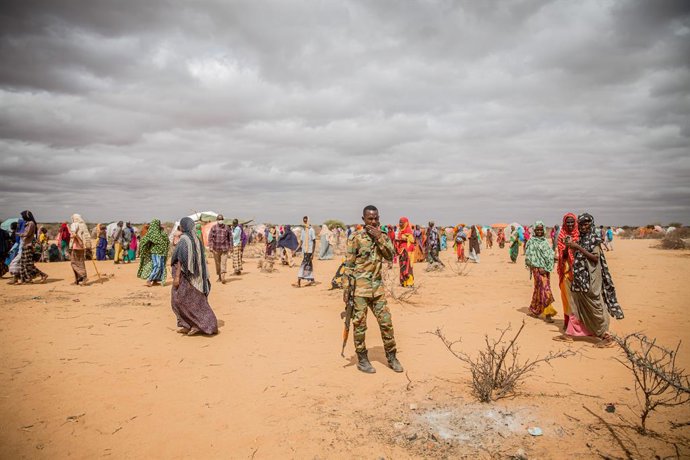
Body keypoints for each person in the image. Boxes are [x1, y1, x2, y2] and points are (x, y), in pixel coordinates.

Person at [343, 205, 403, 374]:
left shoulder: (382, 236)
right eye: (370, 219)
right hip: (359, 291)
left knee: (386, 323)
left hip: (377, 290)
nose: (373, 221)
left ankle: (392, 357)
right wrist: (346, 289)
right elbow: (349, 264)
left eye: (376, 218)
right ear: (363, 220)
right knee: (360, 325)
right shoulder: (355, 238)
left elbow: (391, 256)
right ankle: (362, 359)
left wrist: (380, 239)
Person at [554, 213, 624, 347]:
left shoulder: (593, 239)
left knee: (594, 307)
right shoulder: (581, 238)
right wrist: (569, 246)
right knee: (577, 305)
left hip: (591, 279)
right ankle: (570, 333)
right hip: (581, 278)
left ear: (591, 224)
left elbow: (595, 258)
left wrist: (577, 247)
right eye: (581, 224)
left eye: (586, 224)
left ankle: (607, 336)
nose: (583, 227)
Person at [170, 217, 218, 336]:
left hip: (185, 277)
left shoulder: (184, 240)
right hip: (197, 278)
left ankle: (199, 324)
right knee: (195, 301)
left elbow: (181, 260)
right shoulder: (196, 240)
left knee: (178, 300)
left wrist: (177, 277)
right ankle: (189, 324)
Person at [524, 221, 557, 322]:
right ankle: (548, 313)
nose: (539, 231)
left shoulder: (544, 241)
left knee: (539, 289)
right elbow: (530, 256)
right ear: (534, 230)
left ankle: (535, 309)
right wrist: (539, 266)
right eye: (537, 229)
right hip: (537, 269)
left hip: (546, 269)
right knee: (545, 289)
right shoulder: (531, 241)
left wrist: (554, 258)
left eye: (540, 229)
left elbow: (549, 254)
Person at [14, 210, 48, 285]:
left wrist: (18, 233)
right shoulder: (28, 223)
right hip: (25, 245)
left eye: (23, 216)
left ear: (26, 216)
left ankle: (38, 276)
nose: (22, 217)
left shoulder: (31, 224)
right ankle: (26, 279)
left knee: (27, 264)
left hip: (28, 246)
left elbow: (27, 233)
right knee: (23, 264)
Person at [137, 219, 170, 287]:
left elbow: (167, 241)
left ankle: (155, 280)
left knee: (161, 267)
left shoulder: (161, 233)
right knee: (157, 265)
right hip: (155, 253)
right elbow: (143, 242)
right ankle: (149, 279)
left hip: (162, 253)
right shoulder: (151, 234)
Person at [207, 215, 232, 283]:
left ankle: (223, 276)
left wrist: (231, 247)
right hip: (216, 249)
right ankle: (219, 277)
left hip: (225, 249)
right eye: (219, 219)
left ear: (223, 220)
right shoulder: (214, 228)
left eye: (221, 219)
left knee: (223, 263)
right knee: (218, 264)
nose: (220, 220)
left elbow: (230, 238)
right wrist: (211, 247)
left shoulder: (227, 228)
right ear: (217, 220)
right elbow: (210, 238)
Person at [69, 214, 92, 285]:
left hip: (77, 246)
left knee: (74, 263)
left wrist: (77, 239)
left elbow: (74, 234)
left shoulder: (74, 224)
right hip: (82, 247)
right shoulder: (83, 225)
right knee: (80, 262)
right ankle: (78, 279)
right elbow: (86, 236)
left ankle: (83, 277)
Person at [296, 216, 316, 287]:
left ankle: (298, 281)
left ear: (308, 221)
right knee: (309, 265)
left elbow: (314, 242)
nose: (305, 222)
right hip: (305, 251)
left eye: (306, 221)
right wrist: (295, 250)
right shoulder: (303, 230)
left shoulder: (311, 230)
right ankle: (312, 280)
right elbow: (301, 242)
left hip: (309, 251)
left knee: (303, 265)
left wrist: (313, 253)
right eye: (304, 221)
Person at [395, 217, 415, 287]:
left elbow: (412, 240)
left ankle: (410, 282)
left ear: (406, 223)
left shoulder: (408, 230)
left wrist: (404, 238)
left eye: (401, 222)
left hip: (407, 251)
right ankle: (403, 282)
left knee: (408, 266)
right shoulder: (400, 230)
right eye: (399, 222)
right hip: (401, 250)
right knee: (402, 266)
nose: (400, 224)